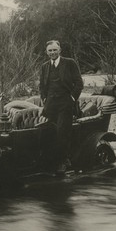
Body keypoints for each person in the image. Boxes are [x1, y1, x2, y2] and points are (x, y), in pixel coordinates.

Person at [39, 40, 84, 174]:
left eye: (55, 50)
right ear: (46, 52)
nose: (52, 52)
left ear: (60, 50)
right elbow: (42, 85)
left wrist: (71, 98)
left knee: (62, 131)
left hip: (66, 103)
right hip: (50, 104)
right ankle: (48, 161)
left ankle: (63, 161)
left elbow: (79, 83)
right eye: (50, 51)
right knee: (46, 131)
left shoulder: (69, 63)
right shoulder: (45, 66)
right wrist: (44, 99)